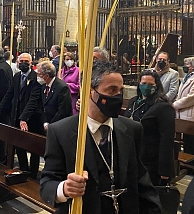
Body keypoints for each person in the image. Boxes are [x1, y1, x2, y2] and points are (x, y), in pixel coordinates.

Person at [40, 61, 162, 214]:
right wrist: (64, 188)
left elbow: (142, 182)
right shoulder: (60, 132)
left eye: (120, 90)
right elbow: (47, 185)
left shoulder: (132, 129)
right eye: (111, 90)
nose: (118, 96)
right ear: (90, 92)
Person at [0, 52, 43, 179]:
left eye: (26, 61)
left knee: (33, 148)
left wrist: (24, 118)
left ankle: (33, 174)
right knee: (19, 145)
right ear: (17, 62)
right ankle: (23, 170)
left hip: (31, 119)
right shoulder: (16, 76)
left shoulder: (35, 78)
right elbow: (9, 95)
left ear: (31, 63)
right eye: (21, 61)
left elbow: (33, 100)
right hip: (16, 116)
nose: (23, 64)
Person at [124, 69, 175, 186]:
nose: (146, 87)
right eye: (143, 84)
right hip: (132, 155)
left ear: (156, 86)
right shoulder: (133, 102)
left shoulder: (164, 107)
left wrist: (164, 171)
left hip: (151, 159)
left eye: (151, 84)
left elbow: (166, 140)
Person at [37, 61, 72, 131]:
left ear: (46, 76)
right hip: (46, 125)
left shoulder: (62, 88)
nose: (38, 77)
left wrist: (51, 125)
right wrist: (45, 122)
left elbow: (63, 111)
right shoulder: (43, 86)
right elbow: (42, 106)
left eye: (39, 74)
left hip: (59, 126)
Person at [173, 57, 194, 156]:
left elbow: (191, 97)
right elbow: (180, 93)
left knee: (191, 142)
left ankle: (191, 165)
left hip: (190, 112)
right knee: (186, 141)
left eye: (188, 64)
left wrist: (175, 104)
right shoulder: (187, 77)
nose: (185, 66)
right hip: (182, 112)